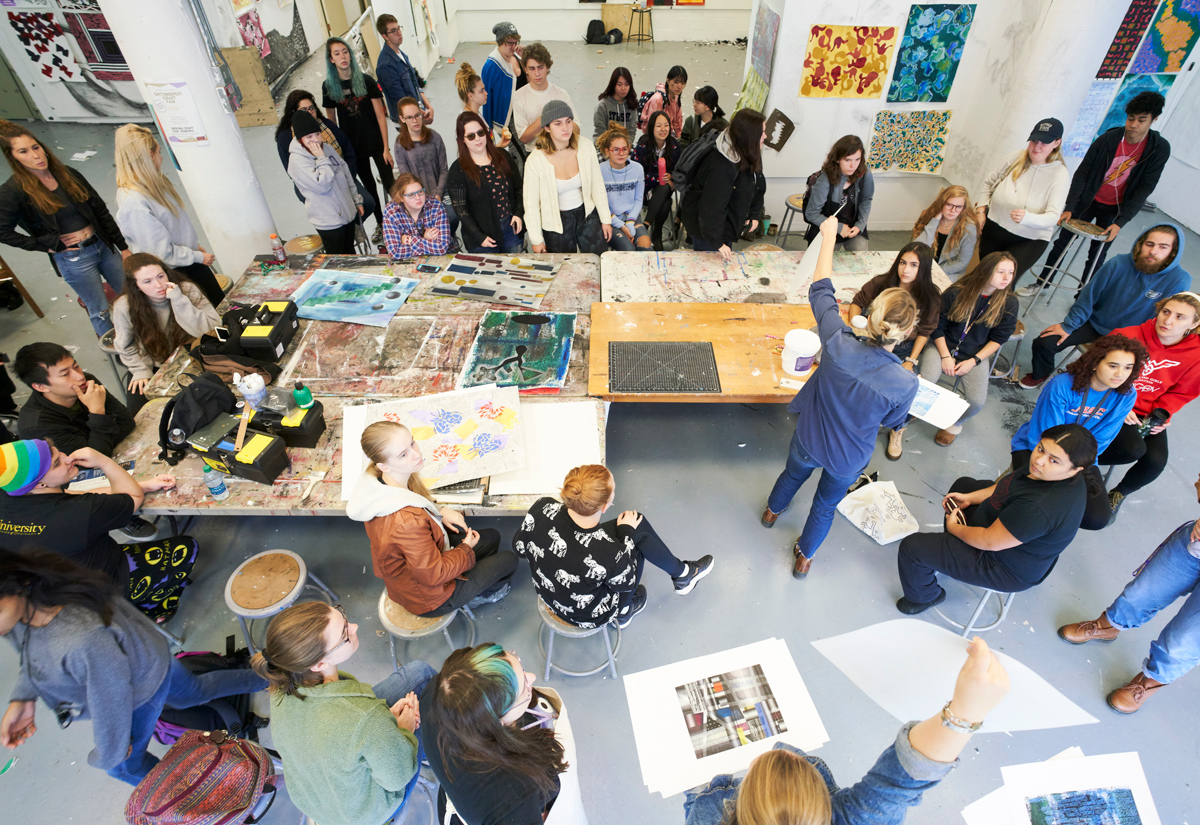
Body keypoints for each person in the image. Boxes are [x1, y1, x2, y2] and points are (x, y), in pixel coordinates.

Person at [0, 548, 266, 786]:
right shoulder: (37, 594)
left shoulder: (81, 639)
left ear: (20, 586)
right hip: (149, 656)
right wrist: (23, 697)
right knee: (194, 692)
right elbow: (33, 651)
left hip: (139, 687)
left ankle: (200, 802)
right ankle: (270, 675)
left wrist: (108, 754)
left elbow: (111, 700)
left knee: (124, 767)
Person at [684, 637, 1011, 825]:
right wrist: (966, 712)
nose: (778, 751)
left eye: (759, 767)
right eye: (801, 768)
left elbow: (897, 785)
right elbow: (900, 780)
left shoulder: (707, 814)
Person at [761, 216, 920, 579]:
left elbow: (820, 289)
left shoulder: (837, 340)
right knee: (824, 507)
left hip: (809, 437)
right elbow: (892, 422)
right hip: (849, 457)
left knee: (792, 475)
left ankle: (771, 512)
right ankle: (804, 558)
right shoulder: (904, 382)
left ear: (871, 315)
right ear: (908, 332)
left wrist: (829, 236)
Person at [251, 601, 435, 825]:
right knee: (428, 708)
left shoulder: (282, 687)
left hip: (320, 799)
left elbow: (347, 729)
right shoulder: (364, 717)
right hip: (365, 814)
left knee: (420, 674)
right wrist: (404, 730)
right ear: (319, 664)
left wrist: (381, 723)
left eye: (342, 615)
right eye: (344, 634)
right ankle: (445, 754)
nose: (355, 627)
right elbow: (397, 778)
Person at [895, 424, 1095, 614]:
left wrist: (954, 528)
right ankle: (950, 551)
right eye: (1041, 448)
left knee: (913, 548)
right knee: (964, 487)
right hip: (1007, 535)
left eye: (1054, 460)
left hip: (1003, 566)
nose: (1039, 460)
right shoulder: (1044, 472)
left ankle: (925, 597)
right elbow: (1007, 486)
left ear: (1075, 469)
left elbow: (989, 541)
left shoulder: (1041, 506)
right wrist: (970, 498)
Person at [0, 439, 189, 622]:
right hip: (102, 587)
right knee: (188, 548)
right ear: (40, 484)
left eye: (59, 452)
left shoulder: (11, 494)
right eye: (57, 463)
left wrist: (144, 485)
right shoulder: (76, 513)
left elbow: (71, 497)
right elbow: (132, 497)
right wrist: (103, 461)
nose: (67, 459)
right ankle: (152, 611)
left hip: (53, 595)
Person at [1058, 476, 1200, 714]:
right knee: (1142, 592)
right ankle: (1107, 626)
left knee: (1186, 640)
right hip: (1195, 546)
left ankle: (1148, 683)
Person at [347, 421, 516, 617]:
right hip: (431, 598)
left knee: (492, 537)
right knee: (509, 560)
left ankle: (472, 578)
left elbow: (414, 501)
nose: (416, 454)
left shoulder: (384, 482)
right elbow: (433, 574)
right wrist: (465, 549)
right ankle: (479, 597)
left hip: (421, 569)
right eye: (403, 454)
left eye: (412, 443)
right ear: (383, 466)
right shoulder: (407, 523)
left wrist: (438, 510)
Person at [514, 464, 713, 629]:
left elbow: (519, 547)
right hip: (588, 616)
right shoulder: (607, 553)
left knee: (634, 528)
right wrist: (626, 532)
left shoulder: (541, 506)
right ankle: (625, 611)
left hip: (548, 596)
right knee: (636, 532)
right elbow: (627, 582)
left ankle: (683, 574)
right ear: (604, 506)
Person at [1026, 91, 1170, 295]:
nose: (1133, 125)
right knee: (1062, 243)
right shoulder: (1108, 139)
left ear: (1153, 120)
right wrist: (1070, 206)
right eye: (1131, 118)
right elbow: (1083, 172)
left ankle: (1083, 296)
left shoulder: (1158, 148)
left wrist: (1121, 222)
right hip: (1087, 200)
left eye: (1141, 120)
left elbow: (1145, 187)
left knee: (1098, 253)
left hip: (1115, 208)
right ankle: (1042, 283)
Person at [0, 120, 130, 336]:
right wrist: (47, 245)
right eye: (24, 151)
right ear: (13, 157)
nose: (36, 155)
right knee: (99, 311)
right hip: (74, 259)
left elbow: (100, 211)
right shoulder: (13, 191)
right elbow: (2, 231)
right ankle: (119, 352)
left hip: (103, 246)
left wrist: (123, 247)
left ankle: (147, 341)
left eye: (36, 147)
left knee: (131, 297)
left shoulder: (67, 173)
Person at [1019, 223, 1189, 389]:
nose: (1153, 251)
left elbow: (1165, 320)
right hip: (1096, 323)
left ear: (1173, 252)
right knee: (1044, 342)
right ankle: (1042, 374)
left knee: (1105, 370)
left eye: (1163, 247)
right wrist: (1069, 325)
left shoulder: (1179, 280)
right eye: (1149, 244)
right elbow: (1089, 296)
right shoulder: (1118, 263)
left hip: (1131, 337)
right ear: (1140, 244)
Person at [419, 644, 573, 824]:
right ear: (496, 723)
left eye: (519, 662)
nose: (532, 677)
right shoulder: (514, 801)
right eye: (525, 690)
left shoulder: (434, 694)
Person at [1012, 334, 1147, 531]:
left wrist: (1075, 467)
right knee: (1039, 509)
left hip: (1081, 457)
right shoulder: (1063, 385)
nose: (1120, 374)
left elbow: (1102, 438)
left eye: (1128, 367)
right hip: (1041, 450)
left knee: (1097, 518)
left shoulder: (1126, 395)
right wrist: (1065, 470)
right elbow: (1046, 434)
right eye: (1113, 366)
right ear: (1095, 363)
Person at [1102, 292, 1200, 522]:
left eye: (1180, 317)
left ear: (1194, 324)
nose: (1168, 320)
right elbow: (1095, 373)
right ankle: (1078, 462)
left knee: (1155, 462)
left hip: (1147, 411)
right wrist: (1119, 404)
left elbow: (1182, 392)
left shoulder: (1196, 354)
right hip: (1112, 400)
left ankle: (1119, 493)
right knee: (1131, 449)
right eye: (1166, 312)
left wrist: (1164, 415)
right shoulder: (1126, 336)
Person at [113, 124, 222, 309]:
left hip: (188, 261)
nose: (162, 157)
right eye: (159, 152)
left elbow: (172, 226)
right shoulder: (133, 202)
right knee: (207, 315)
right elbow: (161, 253)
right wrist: (195, 256)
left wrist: (192, 247)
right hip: (176, 272)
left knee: (219, 307)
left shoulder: (154, 183)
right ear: (150, 155)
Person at [849, 244, 941, 460]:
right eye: (902, 262)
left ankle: (898, 428)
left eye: (914, 265)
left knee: (908, 390)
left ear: (924, 268)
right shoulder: (883, 283)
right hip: (874, 340)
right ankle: (854, 420)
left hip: (904, 349)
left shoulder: (931, 297)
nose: (905, 270)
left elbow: (925, 332)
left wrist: (910, 360)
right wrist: (856, 326)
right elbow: (857, 302)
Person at [916, 252, 1019, 446]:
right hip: (942, 345)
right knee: (926, 380)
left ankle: (954, 424)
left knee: (977, 401)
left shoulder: (1009, 303)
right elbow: (937, 326)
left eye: (1011, 272)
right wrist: (945, 356)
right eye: (1001, 272)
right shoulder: (957, 292)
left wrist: (974, 361)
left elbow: (999, 339)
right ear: (986, 270)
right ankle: (914, 410)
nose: (1007, 278)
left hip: (974, 354)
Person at [112, 253, 220, 415]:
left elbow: (210, 330)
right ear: (136, 286)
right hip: (150, 363)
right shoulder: (124, 306)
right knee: (138, 415)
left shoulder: (186, 290)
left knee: (205, 407)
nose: (159, 285)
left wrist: (178, 300)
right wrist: (139, 369)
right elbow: (124, 346)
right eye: (147, 281)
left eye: (160, 276)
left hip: (190, 354)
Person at [974, 118, 1069, 282]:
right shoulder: (1015, 157)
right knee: (985, 278)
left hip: (1029, 239)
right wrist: (981, 210)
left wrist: (1028, 218)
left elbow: (1053, 216)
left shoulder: (1059, 174)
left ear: (1057, 143)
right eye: (1034, 140)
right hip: (994, 226)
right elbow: (989, 183)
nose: (1037, 146)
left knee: (1004, 282)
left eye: (1044, 142)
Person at [322, 37, 393, 245]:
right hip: (353, 148)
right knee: (369, 188)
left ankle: (400, 222)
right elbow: (331, 124)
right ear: (331, 59)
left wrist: (386, 148)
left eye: (345, 51)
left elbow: (380, 116)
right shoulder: (329, 87)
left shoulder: (367, 81)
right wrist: (339, 154)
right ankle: (381, 224)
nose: (342, 56)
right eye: (337, 53)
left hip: (376, 143)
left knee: (390, 184)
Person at [275, 90, 377, 230]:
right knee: (334, 213)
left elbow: (348, 154)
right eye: (304, 110)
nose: (310, 112)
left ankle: (353, 227)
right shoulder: (285, 137)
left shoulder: (327, 125)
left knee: (368, 203)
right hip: (314, 184)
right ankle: (344, 229)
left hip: (340, 175)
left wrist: (347, 178)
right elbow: (294, 172)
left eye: (311, 108)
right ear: (293, 112)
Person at [14, 342, 134, 456]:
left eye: (76, 366)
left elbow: (127, 422)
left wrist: (99, 442)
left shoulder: (87, 383)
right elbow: (95, 460)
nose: (80, 376)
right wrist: (97, 412)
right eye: (65, 374)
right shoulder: (38, 427)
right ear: (41, 386)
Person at [523, 102, 611, 254]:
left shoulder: (585, 146)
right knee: (563, 265)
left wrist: (605, 219)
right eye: (558, 123)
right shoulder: (535, 160)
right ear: (547, 128)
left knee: (598, 258)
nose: (565, 128)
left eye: (568, 121)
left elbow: (597, 184)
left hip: (586, 214)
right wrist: (536, 240)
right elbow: (531, 205)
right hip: (556, 222)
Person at [680, 108, 767, 260]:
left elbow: (757, 182)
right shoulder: (721, 165)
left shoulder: (747, 151)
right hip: (706, 229)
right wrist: (717, 243)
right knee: (711, 268)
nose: (766, 136)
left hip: (724, 223)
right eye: (762, 133)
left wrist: (754, 212)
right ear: (750, 136)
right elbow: (711, 208)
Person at [288, 110, 363, 255]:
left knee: (350, 254)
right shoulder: (297, 161)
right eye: (309, 137)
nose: (315, 140)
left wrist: (356, 200)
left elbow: (346, 175)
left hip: (347, 214)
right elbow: (323, 185)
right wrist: (321, 158)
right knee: (335, 259)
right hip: (328, 222)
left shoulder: (327, 148)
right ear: (300, 139)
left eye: (317, 134)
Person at [448, 112, 524, 254]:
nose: (477, 138)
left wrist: (519, 213)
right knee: (489, 269)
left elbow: (518, 188)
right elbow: (461, 209)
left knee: (514, 267)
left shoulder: (503, 156)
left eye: (480, 133)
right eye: (471, 136)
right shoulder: (457, 170)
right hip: (482, 237)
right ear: (462, 140)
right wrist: (478, 236)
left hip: (511, 228)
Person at [393, 96, 458, 235]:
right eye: (409, 117)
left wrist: (438, 195)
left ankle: (450, 238)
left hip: (440, 190)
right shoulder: (400, 145)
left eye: (417, 115)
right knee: (421, 223)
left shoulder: (435, 138)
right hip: (416, 194)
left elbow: (444, 170)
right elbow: (406, 178)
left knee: (452, 216)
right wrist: (420, 198)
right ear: (402, 119)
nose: (415, 120)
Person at [803, 135, 874, 251]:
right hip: (828, 228)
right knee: (825, 260)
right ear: (837, 159)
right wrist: (838, 227)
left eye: (857, 159)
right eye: (847, 160)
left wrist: (860, 225)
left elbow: (866, 200)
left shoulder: (865, 174)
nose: (853, 165)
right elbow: (811, 214)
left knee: (861, 258)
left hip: (854, 227)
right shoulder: (824, 180)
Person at [511, 43, 576, 151]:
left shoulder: (561, 93)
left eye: (540, 67)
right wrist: (547, 116)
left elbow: (577, 129)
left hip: (560, 152)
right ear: (525, 70)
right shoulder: (518, 96)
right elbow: (524, 138)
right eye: (532, 68)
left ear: (547, 67)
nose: (537, 73)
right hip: (534, 153)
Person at [633, 110, 681, 251]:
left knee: (665, 187)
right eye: (659, 126)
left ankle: (646, 226)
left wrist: (671, 177)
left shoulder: (674, 146)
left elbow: (680, 169)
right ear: (651, 127)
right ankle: (656, 234)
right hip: (645, 188)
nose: (663, 129)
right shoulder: (643, 145)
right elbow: (637, 171)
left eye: (666, 125)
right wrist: (657, 178)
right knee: (666, 203)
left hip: (664, 188)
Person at [598, 123, 651, 252]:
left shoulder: (637, 169)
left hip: (632, 216)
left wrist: (630, 222)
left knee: (645, 245)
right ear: (607, 151)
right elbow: (601, 204)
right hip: (610, 219)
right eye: (616, 149)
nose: (621, 153)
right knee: (628, 248)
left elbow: (638, 200)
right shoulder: (600, 171)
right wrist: (622, 226)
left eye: (624, 149)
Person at [375, 14, 433, 128]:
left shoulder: (401, 54)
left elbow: (415, 85)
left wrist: (428, 106)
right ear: (385, 36)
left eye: (399, 28)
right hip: (406, 120)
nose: (399, 33)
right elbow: (401, 100)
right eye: (393, 31)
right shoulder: (385, 65)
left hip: (417, 112)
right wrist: (420, 114)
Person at [383, 173, 457, 258]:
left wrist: (409, 240)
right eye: (411, 195)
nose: (418, 197)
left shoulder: (435, 206)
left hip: (444, 256)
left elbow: (442, 247)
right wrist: (425, 240)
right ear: (401, 198)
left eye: (420, 192)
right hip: (410, 260)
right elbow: (395, 252)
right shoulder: (391, 211)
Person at [911, 185, 978, 279]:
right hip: (923, 265)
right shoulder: (929, 216)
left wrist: (935, 270)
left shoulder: (969, 228)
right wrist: (934, 221)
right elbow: (917, 247)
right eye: (949, 205)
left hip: (949, 272)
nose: (953, 210)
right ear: (942, 203)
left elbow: (962, 262)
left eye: (958, 207)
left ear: (964, 208)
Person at [481, 23, 523, 143]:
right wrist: (488, 131)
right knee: (520, 151)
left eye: (516, 42)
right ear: (500, 42)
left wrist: (524, 57)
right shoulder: (492, 66)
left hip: (522, 113)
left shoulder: (516, 57)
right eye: (510, 43)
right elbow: (486, 99)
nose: (514, 46)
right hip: (507, 119)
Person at [457, 62, 511, 148]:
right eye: (481, 91)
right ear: (470, 96)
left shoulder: (476, 114)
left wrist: (499, 146)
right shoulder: (469, 122)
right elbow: (478, 153)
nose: (486, 93)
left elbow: (484, 150)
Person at [638, 65, 688, 139]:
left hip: (667, 134)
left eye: (683, 83)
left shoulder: (676, 97)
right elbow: (652, 126)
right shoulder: (658, 99)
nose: (679, 86)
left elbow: (678, 123)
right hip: (653, 138)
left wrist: (680, 141)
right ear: (668, 80)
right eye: (676, 82)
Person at [593, 67, 639, 144]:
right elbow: (601, 131)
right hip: (604, 145)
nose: (623, 88)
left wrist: (626, 146)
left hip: (624, 146)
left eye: (627, 84)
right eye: (619, 85)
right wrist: (613, 147)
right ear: (613, 85)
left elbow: (632, 131)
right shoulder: (602, 106)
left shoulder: (632, 104)